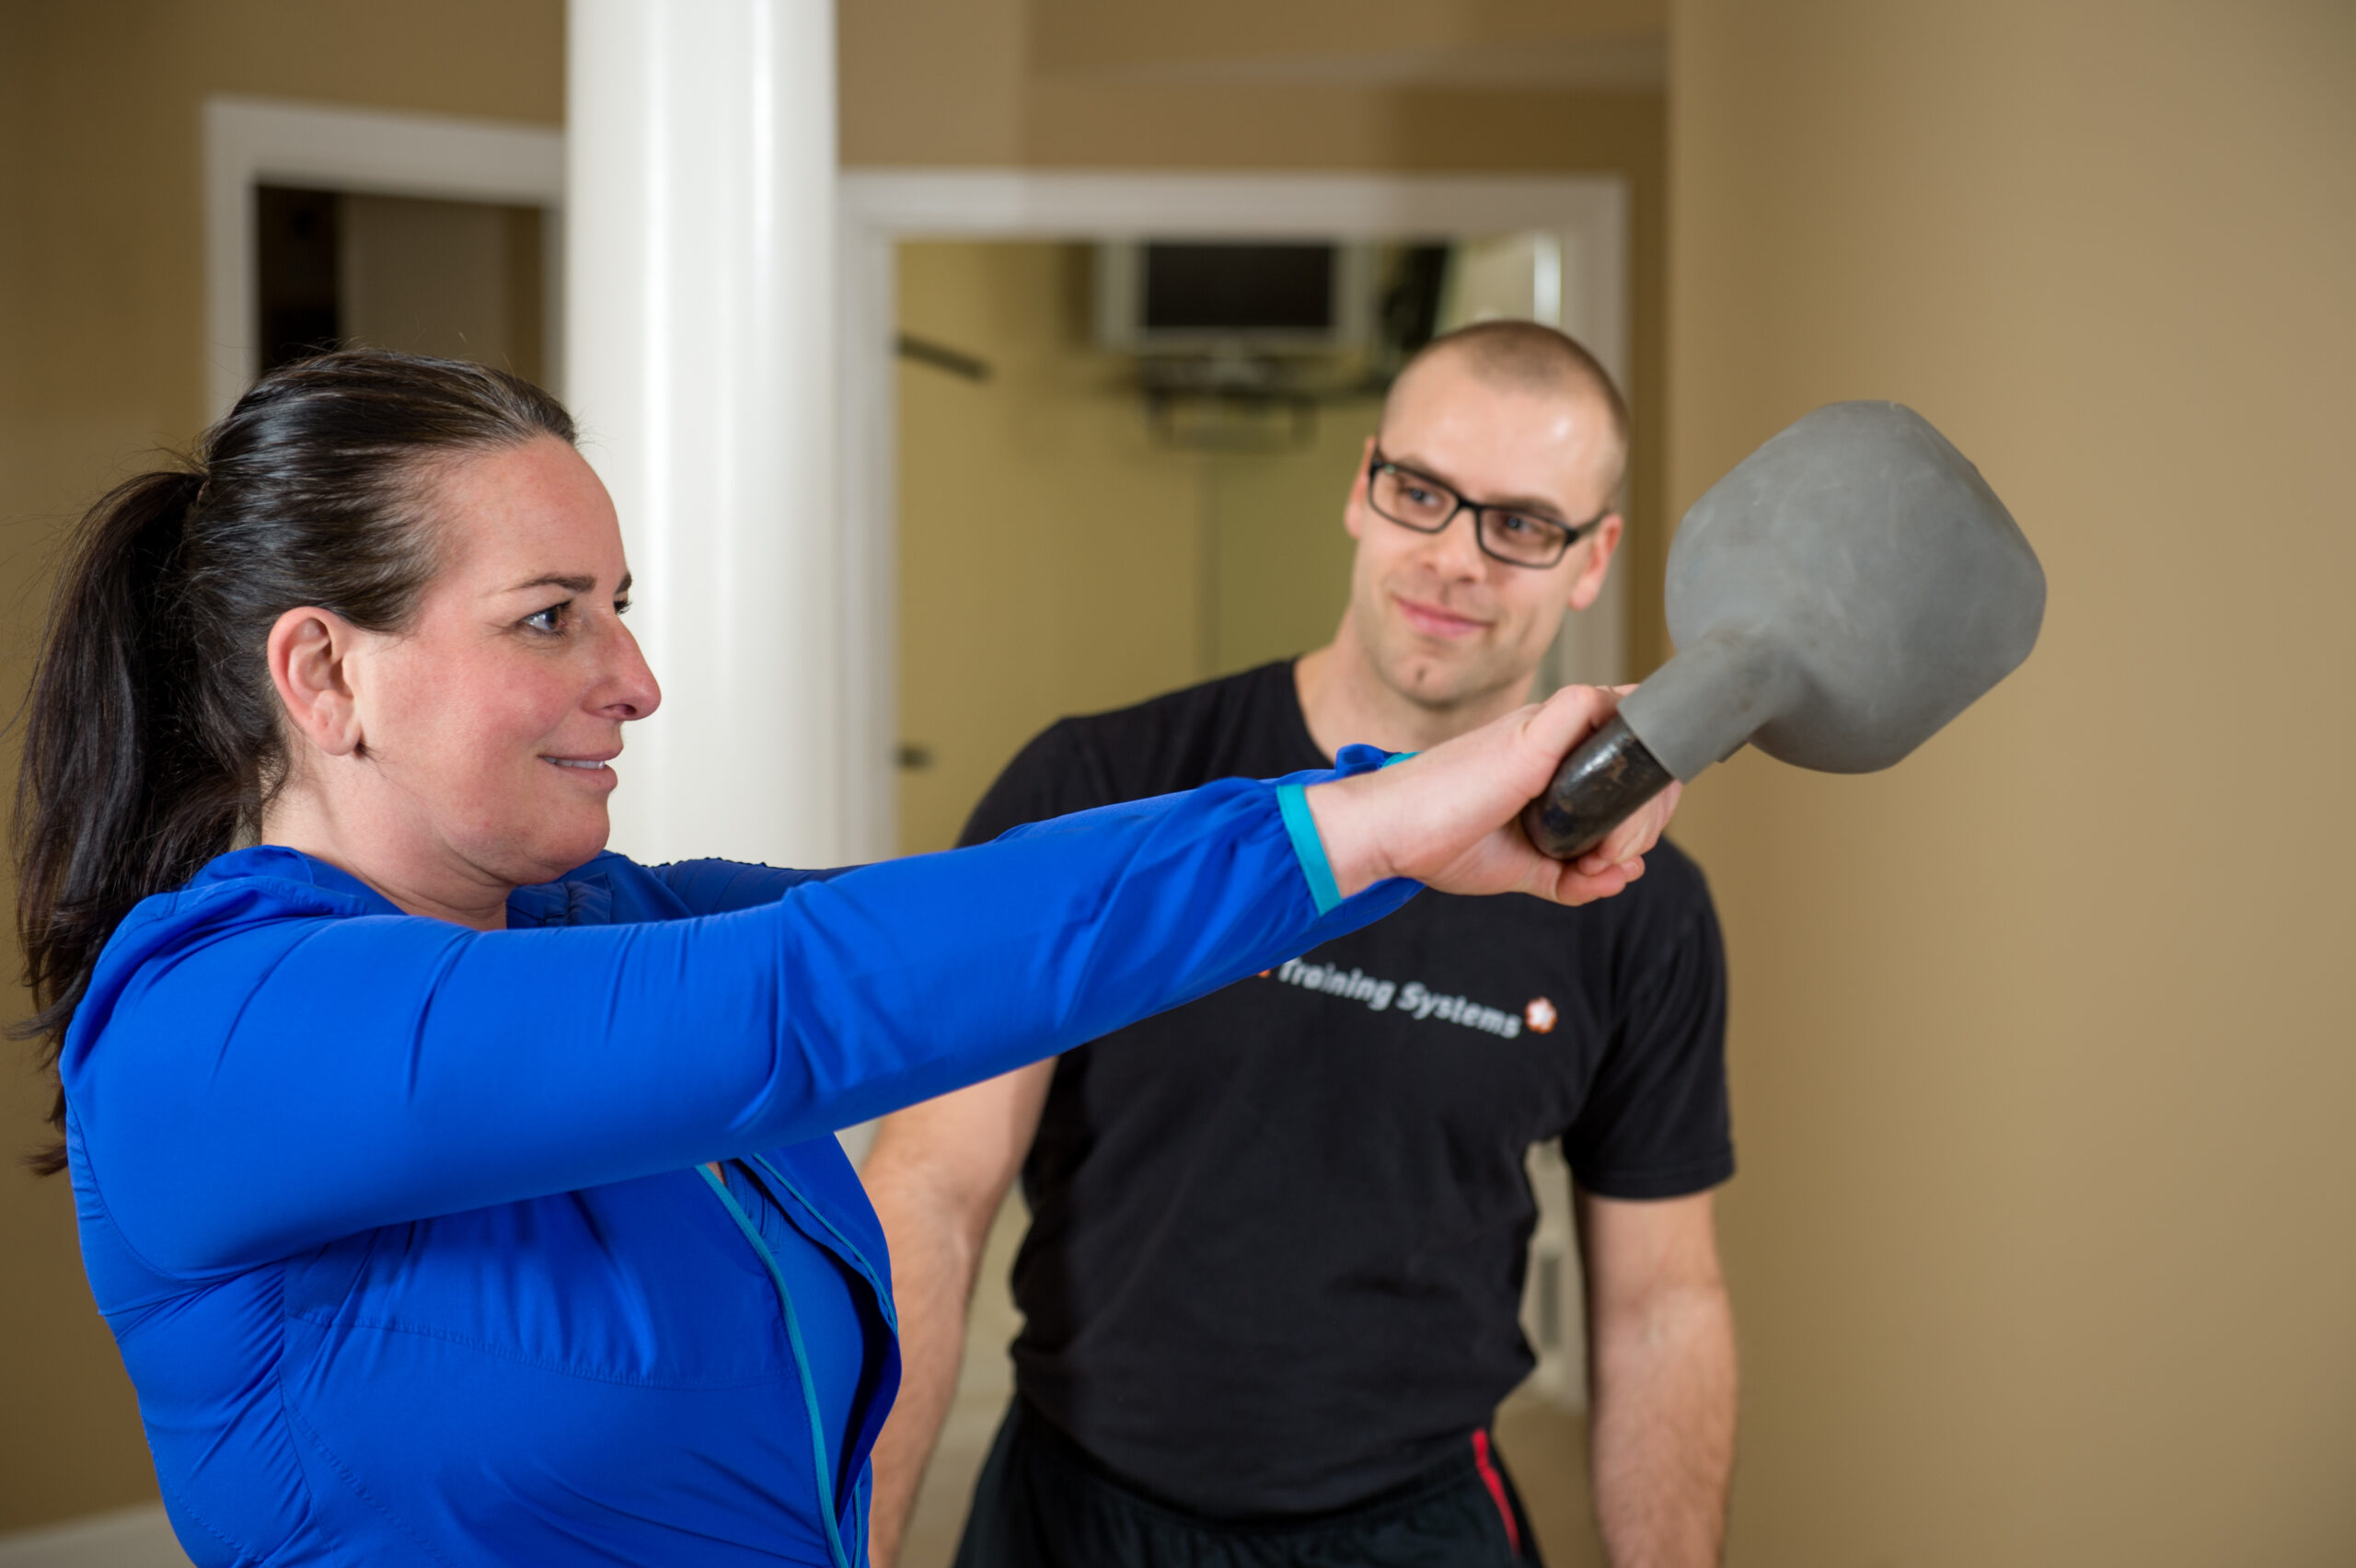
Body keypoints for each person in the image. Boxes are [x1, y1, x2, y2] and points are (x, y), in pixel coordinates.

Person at [12, 350, 1674, 1568]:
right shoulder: (217, 1039)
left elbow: (990, 926)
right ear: (326, 674)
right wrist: (1377, 828)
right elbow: (813, 1001)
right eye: (550, 617)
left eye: (621, 603)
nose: (637, 676)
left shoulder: (609, 924)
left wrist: (1393, 824)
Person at [863, 321, 1738, 1568]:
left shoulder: (1630, 901)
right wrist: (861, 1543)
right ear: (1362, 483)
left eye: (1522, 524)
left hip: (1416, 1523)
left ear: (1592, 560)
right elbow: (931, 1194)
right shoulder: (1104, 788)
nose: (1455, 559)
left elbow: (1663, 1305)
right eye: (1423, 493)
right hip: (1080, 1510)